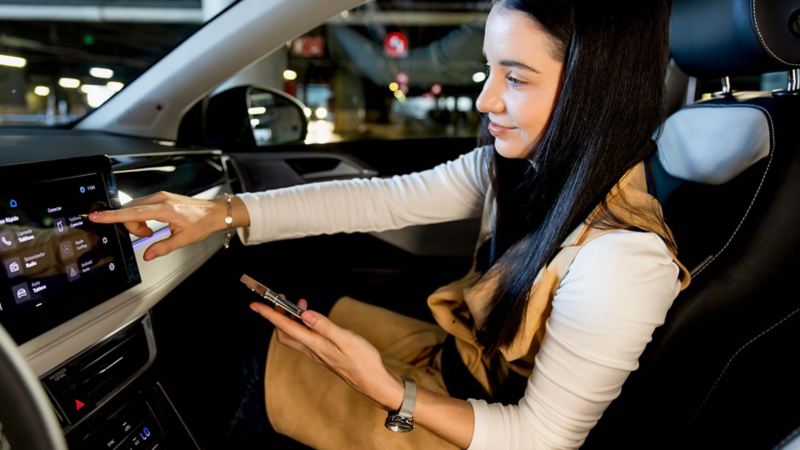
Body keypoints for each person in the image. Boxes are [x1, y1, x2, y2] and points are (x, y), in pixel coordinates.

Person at [90, 0, 691, 448]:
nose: (485, 100)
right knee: (256, 313)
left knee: (243, 359)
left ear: (595, 88)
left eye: (515, 77)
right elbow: (380, 200)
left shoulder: (622, 260)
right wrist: (220, 213)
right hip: (457, 368)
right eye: (489, 71)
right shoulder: (523, 169)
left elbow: (541, 439)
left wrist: (388, 391)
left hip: (478, 426)